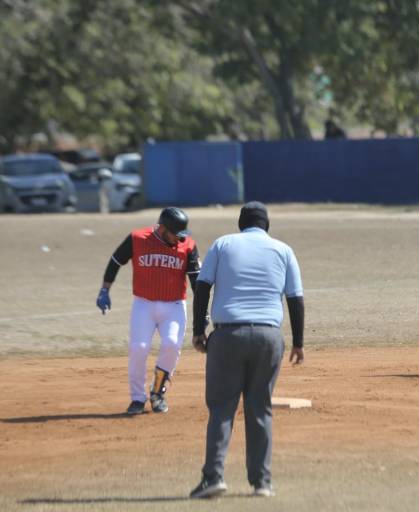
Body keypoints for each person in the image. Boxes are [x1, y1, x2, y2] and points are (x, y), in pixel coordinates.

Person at [189, 201, 304, 500]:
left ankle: (213, 478)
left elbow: (202, 287)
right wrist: (298, 342)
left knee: (222, 409)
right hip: (268, 337)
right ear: (267, 224)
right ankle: (262, 482)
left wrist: (199, 330)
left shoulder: (223, 244)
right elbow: (295, 299)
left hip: (228, 336)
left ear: (241, 223)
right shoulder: (283, 250)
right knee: (260, 408)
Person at [96, 207, 200, 415]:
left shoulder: (188, 245)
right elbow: (116, 261)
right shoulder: (137, 239)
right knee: (139, 348)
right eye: (175, 234)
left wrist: (203, 311)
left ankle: (158, 392)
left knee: (172, 344)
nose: (179, 239)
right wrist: (104, 290)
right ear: (162, 228)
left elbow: (196, 280)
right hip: (143, 304)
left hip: (174, 305)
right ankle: (137, 398)